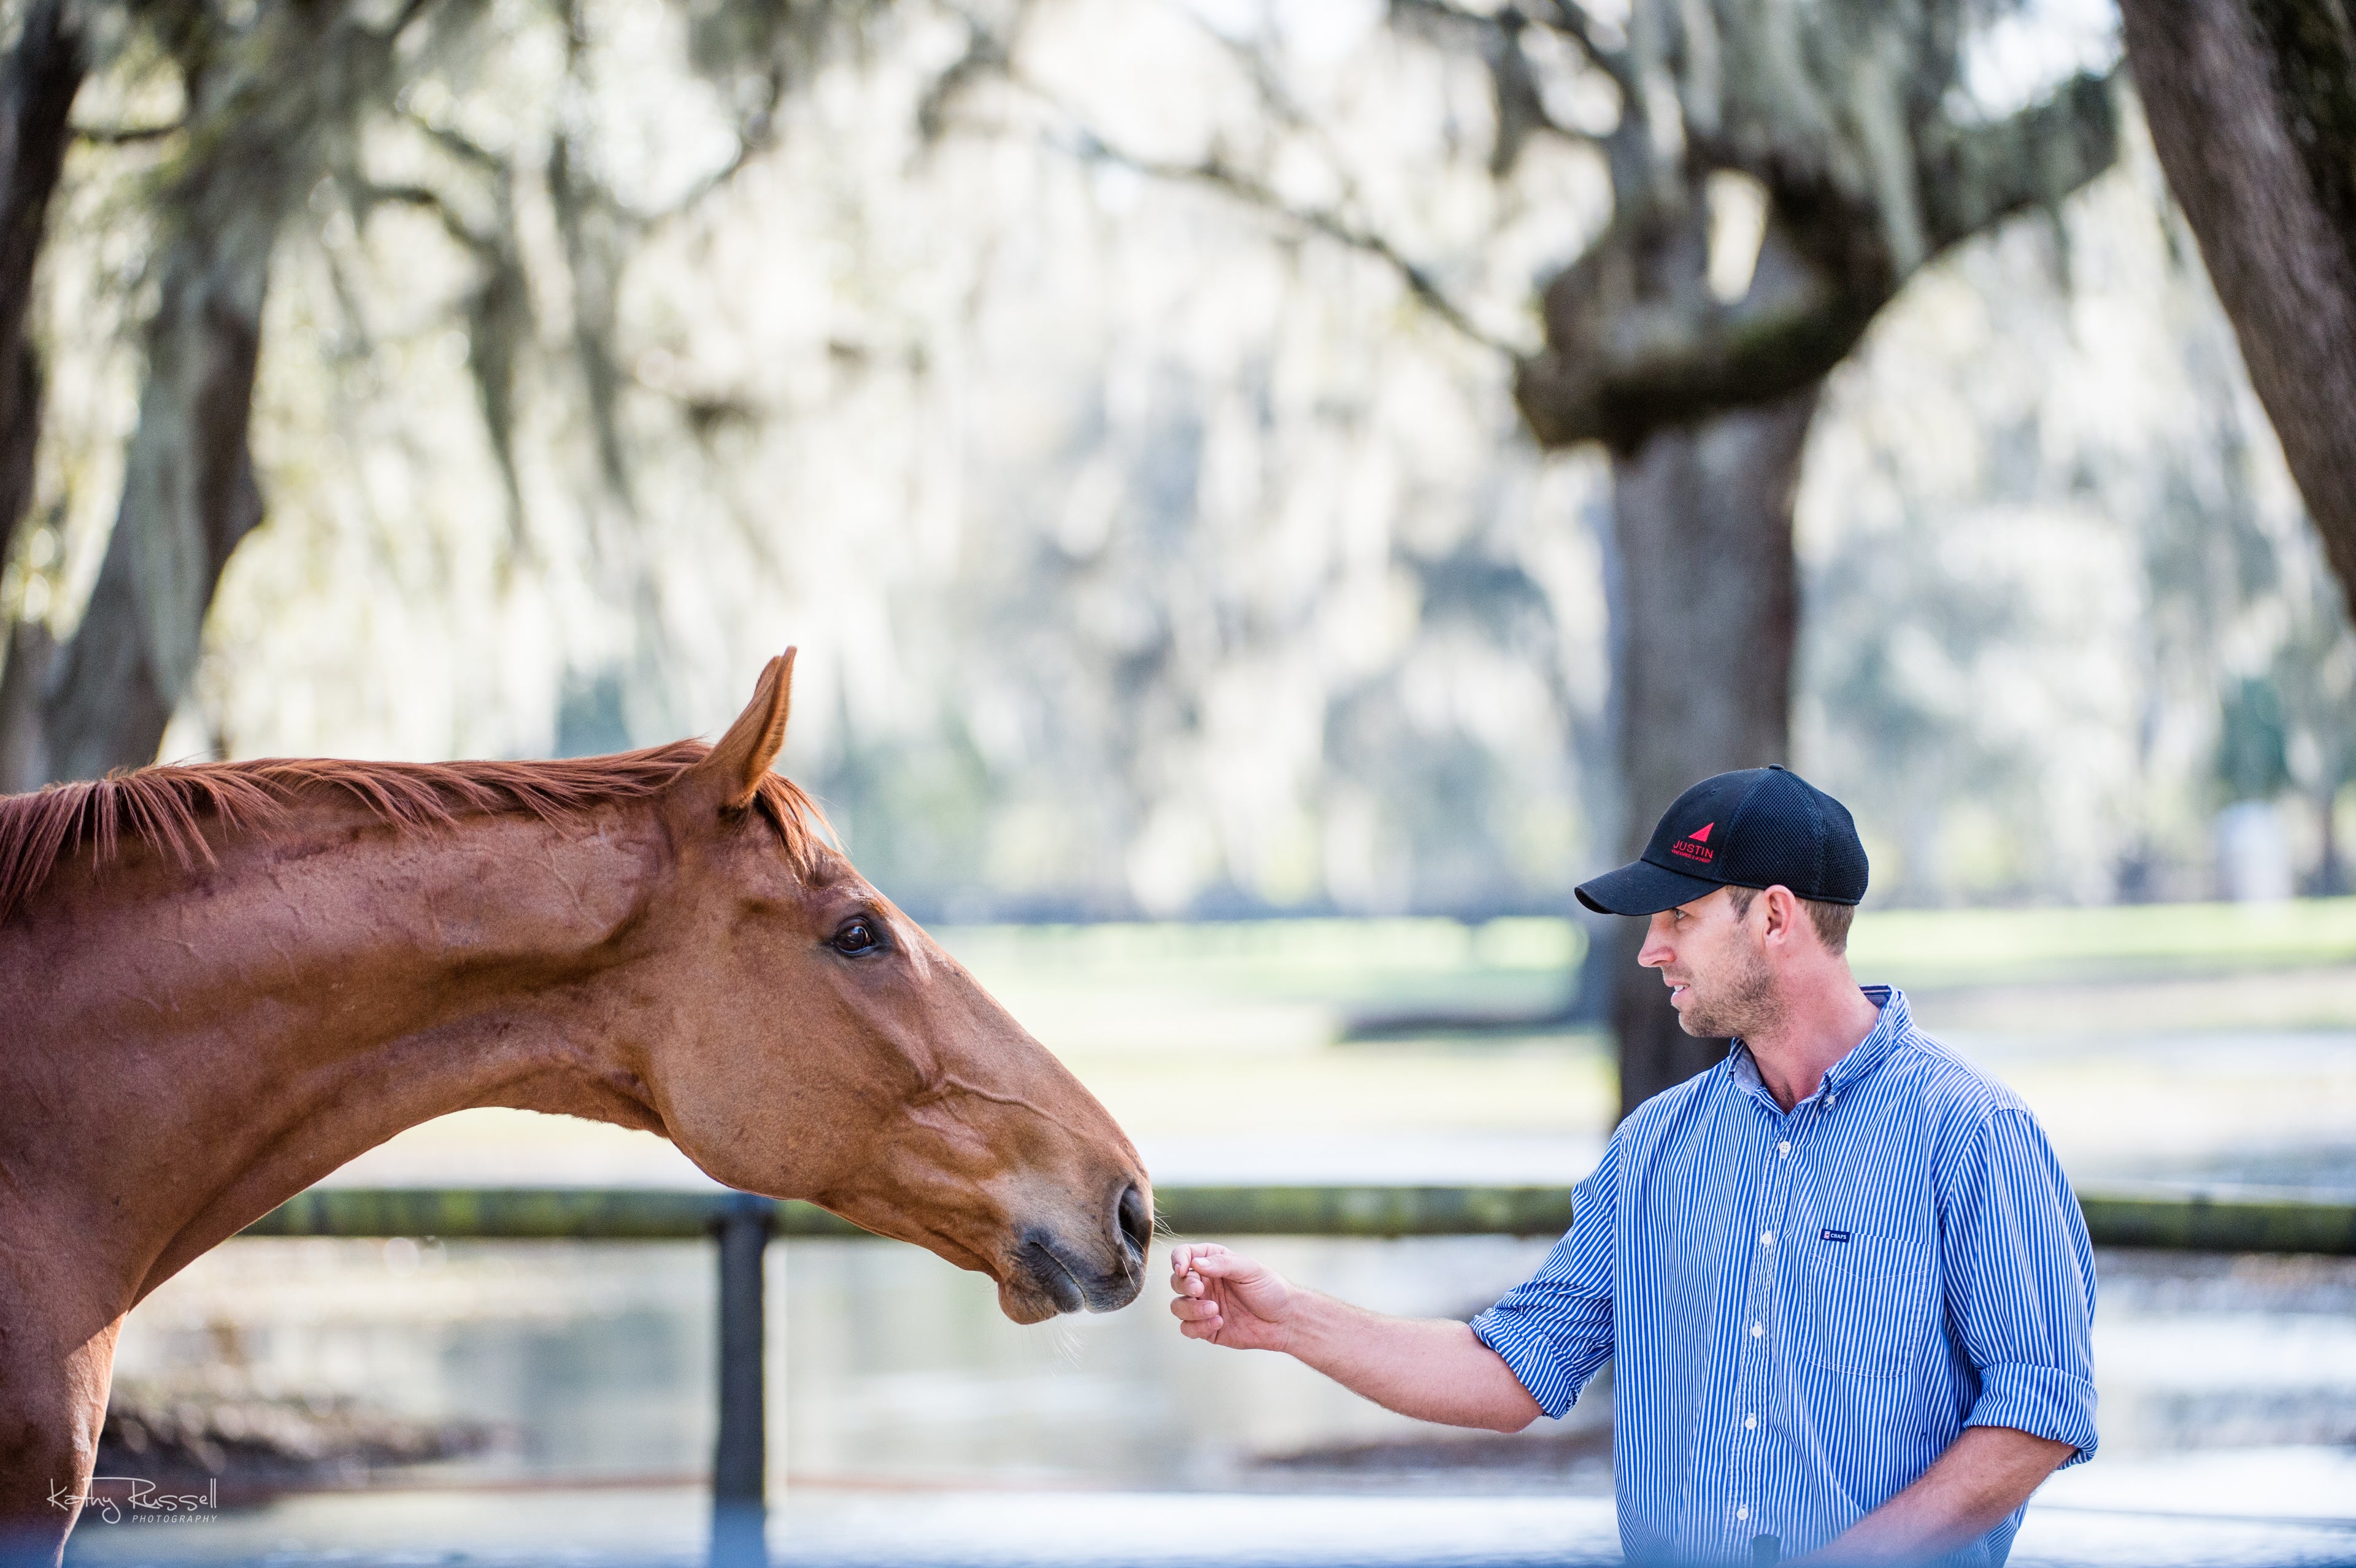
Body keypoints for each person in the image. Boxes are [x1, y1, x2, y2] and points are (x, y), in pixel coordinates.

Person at [1169, 766, 2096, 1567]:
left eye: (1680, 917)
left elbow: (2041, 1411)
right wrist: (1289, 1319)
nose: (1652, 949)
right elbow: (1511, 1374)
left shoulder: (1974, 1134)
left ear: (1774, 917)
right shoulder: (1655, 1151)